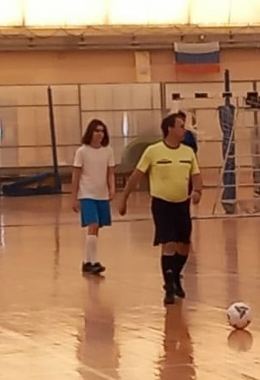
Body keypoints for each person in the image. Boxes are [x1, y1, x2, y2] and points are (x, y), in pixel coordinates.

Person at [117, 113, 204, 305]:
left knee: (184, 245)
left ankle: (175, 277)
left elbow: (196, 175)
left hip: (182, 204)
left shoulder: (188, 152)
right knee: (169, 244)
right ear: (169, 129)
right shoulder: (153, 151)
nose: (184, 130)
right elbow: (136, 176)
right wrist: (124, 198)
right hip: (162, 205)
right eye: (181, 126)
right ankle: (169, 287)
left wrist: (197, 191)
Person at [72, 119, 115, 275]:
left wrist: (112, 187)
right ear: (90, 132)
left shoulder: (108, 151)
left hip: (101, 194)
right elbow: (76, 175)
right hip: (87, 194)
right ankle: (94, 261)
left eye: (102, 131)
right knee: (93, 224)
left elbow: (110, 172)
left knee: (96, 228)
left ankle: (87, 261)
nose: (100, 134)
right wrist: (74, 197)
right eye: (97, 131)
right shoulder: (82, 151)